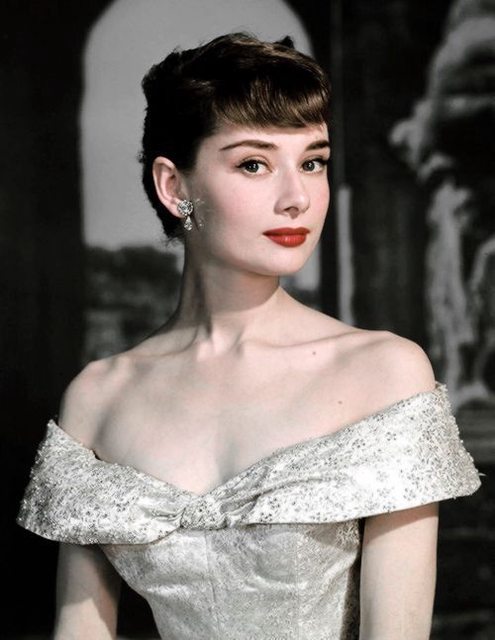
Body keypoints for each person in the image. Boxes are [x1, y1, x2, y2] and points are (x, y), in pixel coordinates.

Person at [17, 33, 482, 640]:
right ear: (174, 187)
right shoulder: (98, 397)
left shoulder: (386, 372)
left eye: (313, 162)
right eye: (254, 164)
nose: (297, 198)